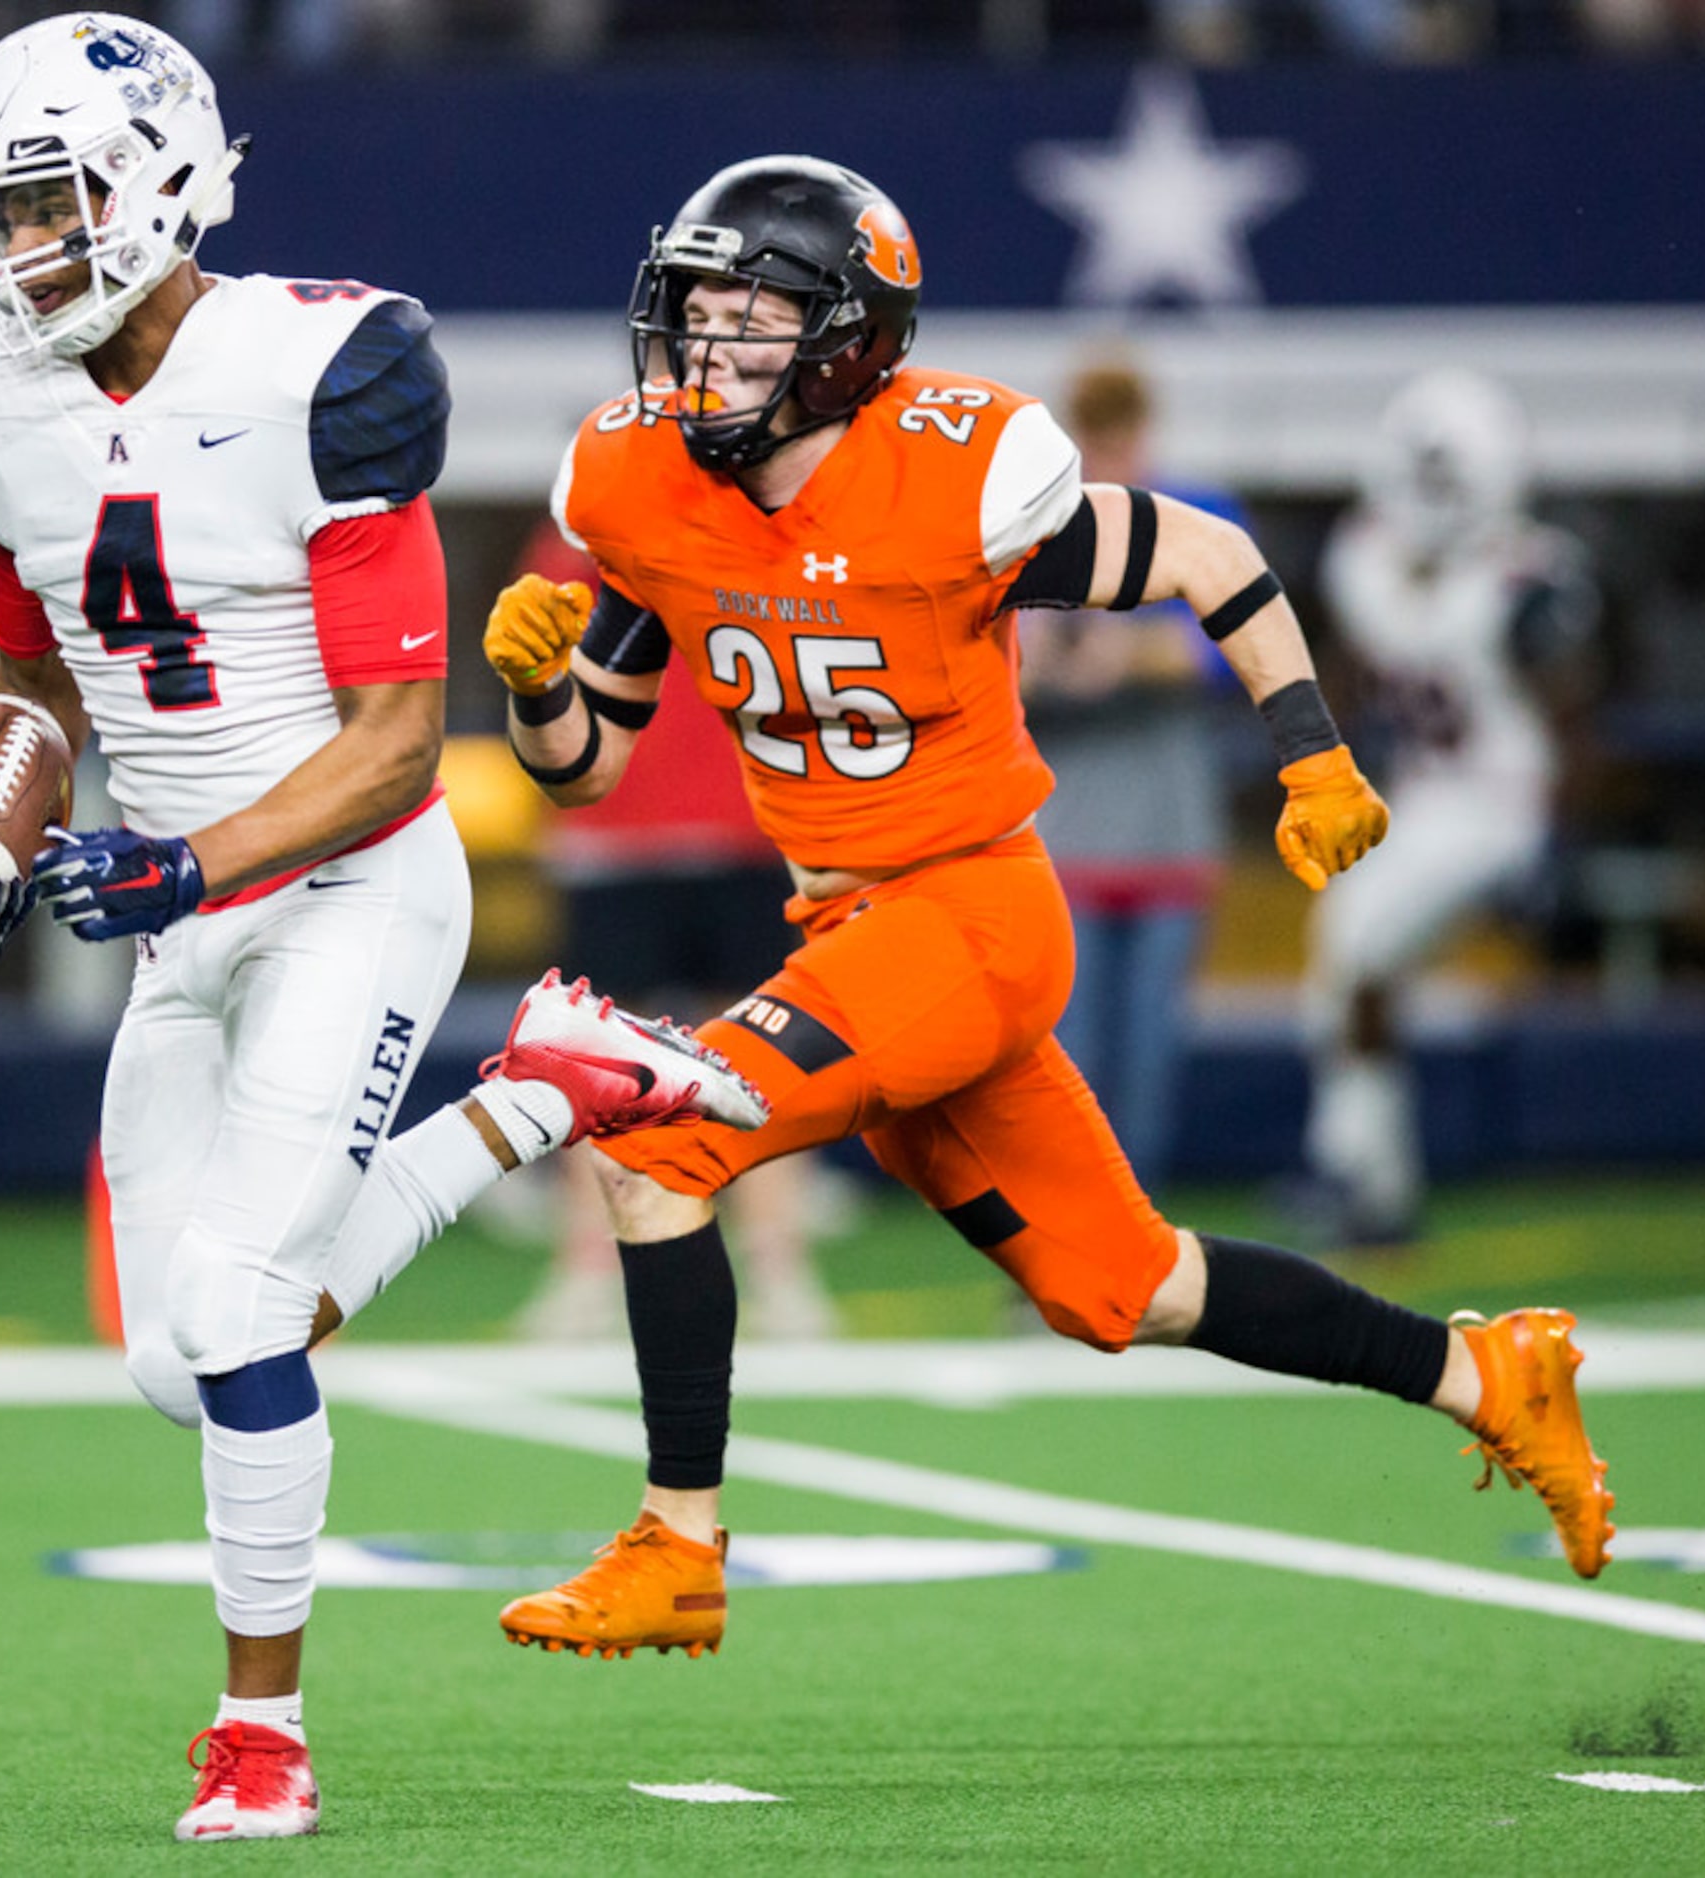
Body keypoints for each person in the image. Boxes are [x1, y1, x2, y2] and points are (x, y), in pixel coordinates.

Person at [479, 155, 1617, 1663]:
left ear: (846, 341)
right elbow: (584, 768)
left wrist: (1312, 755)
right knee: (1124, 1285)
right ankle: (1486, 1377)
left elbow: (1212, 556)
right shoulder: (650, 486)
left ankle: (675, 1543)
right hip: (849, 932)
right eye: (694, 311)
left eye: (750, 317)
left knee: (662, 1133)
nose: (706, 349)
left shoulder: (953, 470)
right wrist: (533, 685)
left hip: (966, 914)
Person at [0, 14, 764, 1842]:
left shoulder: (321, 369)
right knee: (168, 1357)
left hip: (350, 876)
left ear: (162, 184)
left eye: (49, 202)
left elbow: (386, 750)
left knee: (230, 1307)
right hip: (176, 898)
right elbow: (30, 667)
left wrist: (189, 865)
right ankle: (544, 1093)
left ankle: (259, 1736)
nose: (14, 249)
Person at [508, 517, 835, 1344]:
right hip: (615, 842)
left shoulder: (758, 534)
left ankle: (780, 1267)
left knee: (767, 1066)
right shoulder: (574, 549)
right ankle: (587, 1271)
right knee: (595, 1073)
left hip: (743, 830)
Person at [1296, 368, 1598, 1248]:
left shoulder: (1528, 581)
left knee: (1352, 952)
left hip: (1503, 808)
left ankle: (1357, 1168)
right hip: (1422, 800)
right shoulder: (1364, 558)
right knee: (1347, 962)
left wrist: (1557, 842)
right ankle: (1365, 1173)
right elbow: (1348, 680)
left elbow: (1577, 722)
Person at [1019, 357, 1244, 1193]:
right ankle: (1059, 1234)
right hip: (1065, 837)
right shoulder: (1036, 524)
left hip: (1166, 832)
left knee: (1146, 1060)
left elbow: (1231, 649)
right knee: (1062, 1062)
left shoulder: (1195, 515)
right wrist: (1056, 660)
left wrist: (1122, 654)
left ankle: (1129, 1239)